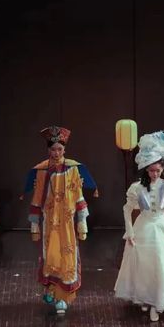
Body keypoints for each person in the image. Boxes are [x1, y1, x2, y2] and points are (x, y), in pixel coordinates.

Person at [114, 131, 164, 322]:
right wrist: (129, 231)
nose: (154, 174)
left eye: (157, 170)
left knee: (161, 262)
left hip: (162, 226)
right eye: (151, 171)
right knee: (144, 264)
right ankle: (145, 297)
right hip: (143, 227)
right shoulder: (137, 188)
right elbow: (127, 209)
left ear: (162, 168)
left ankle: (157, 302)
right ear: (146, 170)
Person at [23, 126, 98, 315]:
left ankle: (63, 297)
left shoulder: (72, 169)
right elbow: (37, 197)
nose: (56, 153)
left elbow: (78, 194)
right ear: (48, 150)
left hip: (67, 222)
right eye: (53, 149)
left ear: (64, 149)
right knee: (51, 256)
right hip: (49, 222)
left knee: (66, 256)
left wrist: (82, 221)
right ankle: (51, 289)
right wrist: (34, 223)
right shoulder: (42, 170)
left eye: (59, 149)